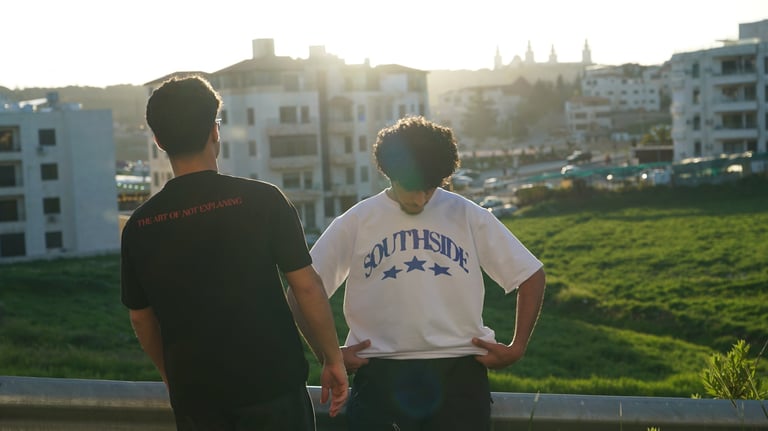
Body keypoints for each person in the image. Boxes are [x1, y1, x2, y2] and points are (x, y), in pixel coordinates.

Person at [120, 75, 348, 430]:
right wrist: (333, 359)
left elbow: (140, 318)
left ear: (159, 140)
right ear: (215, 131)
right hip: (274, 387)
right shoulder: (264, 200)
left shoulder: (140, 225)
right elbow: (307, 287)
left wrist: (171, 376)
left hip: (197, 398)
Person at [294, 115, 546, 430]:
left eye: (429, 188)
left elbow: (531, 275)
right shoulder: (357, 221)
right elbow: (302, 290)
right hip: (381, 373)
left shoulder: (467, 215)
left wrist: (517, 347)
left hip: (459, 373)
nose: (420, 199)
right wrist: (328, 355)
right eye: (410, 188)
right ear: (389, 173)